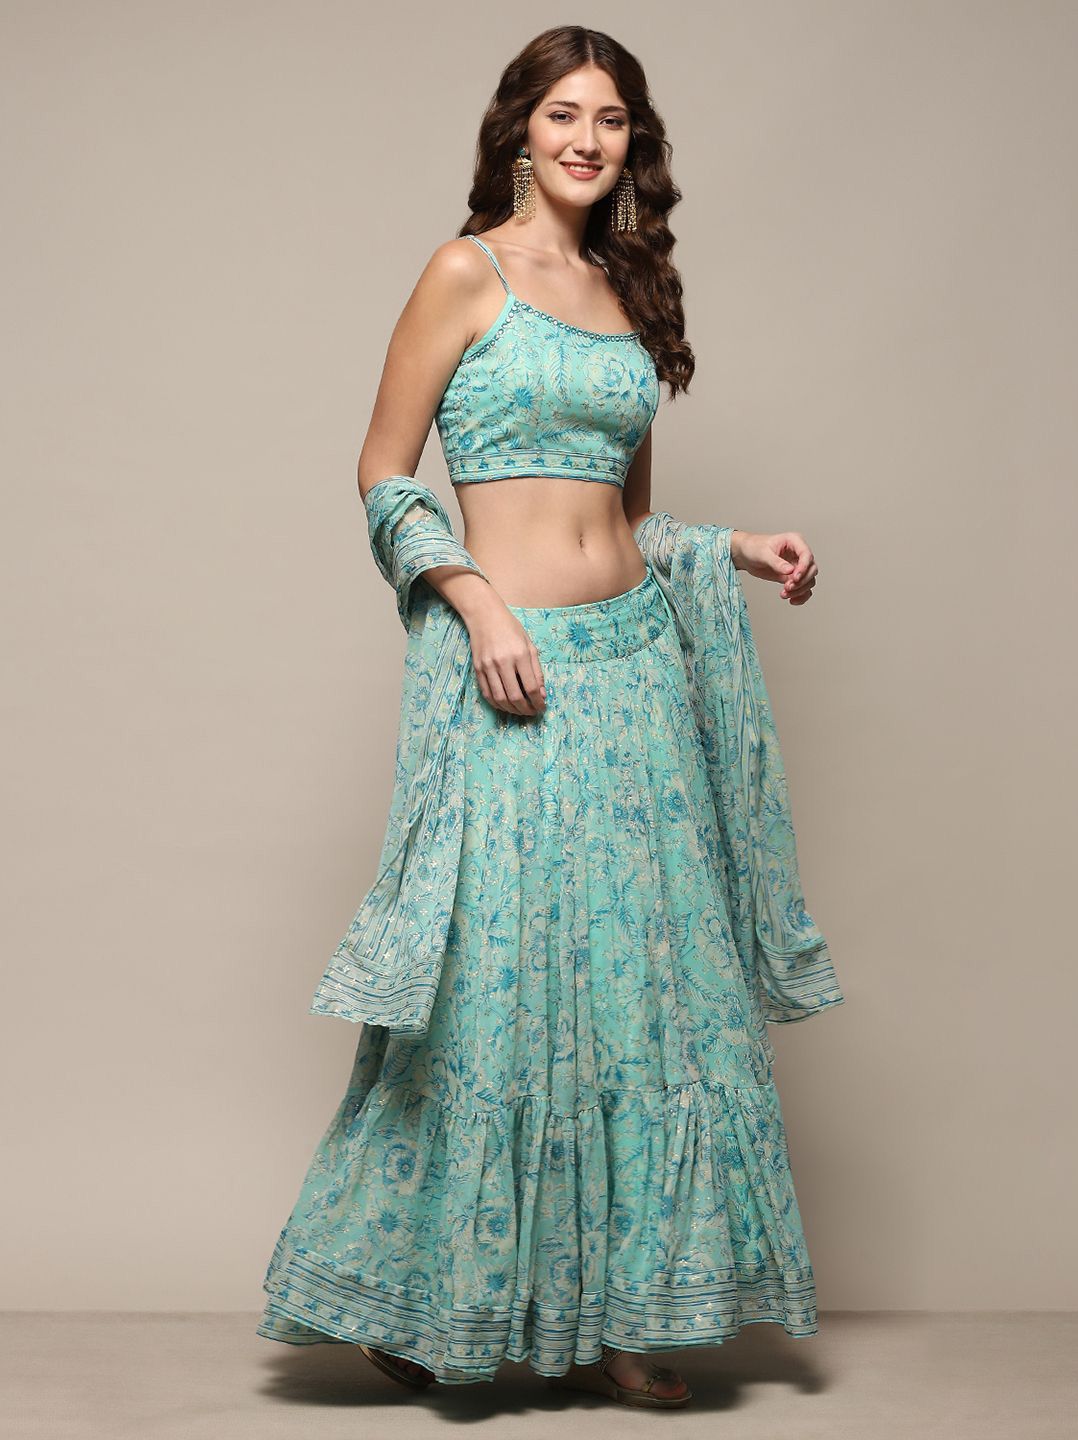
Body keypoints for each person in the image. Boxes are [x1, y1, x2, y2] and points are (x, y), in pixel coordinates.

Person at [257, 25, 840, 1411]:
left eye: (613, 119)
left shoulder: (629, 291)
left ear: (637, 146)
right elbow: (382, 471)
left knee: (646, 994)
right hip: (511, 676)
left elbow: (623, 518)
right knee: (501, 991)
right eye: (566, 113)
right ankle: (441, 1298)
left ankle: (628, 1314)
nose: (589, 139)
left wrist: (731, 549)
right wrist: (474, 603)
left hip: (640, 668)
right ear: (520, 128)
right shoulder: (465, 272)